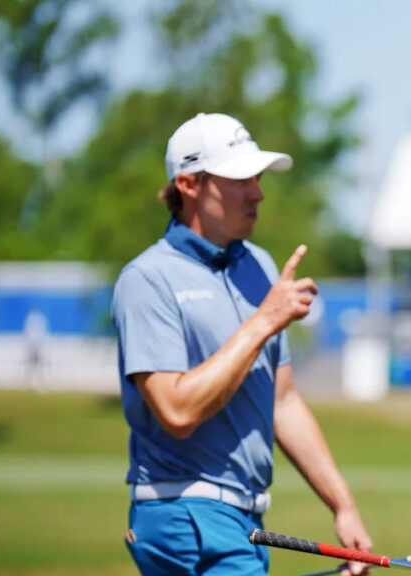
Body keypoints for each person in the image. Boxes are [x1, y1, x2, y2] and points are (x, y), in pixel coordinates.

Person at [111, 112, 372, 575]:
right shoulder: (147, 279)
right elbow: (176, 412)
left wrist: (343, 506)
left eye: (257, 178)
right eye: (239, 179)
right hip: (183, 513)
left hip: (243, 517)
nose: (257, 193)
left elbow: (283, 402)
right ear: (188, 185)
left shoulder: (259, 266)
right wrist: (263, 321)